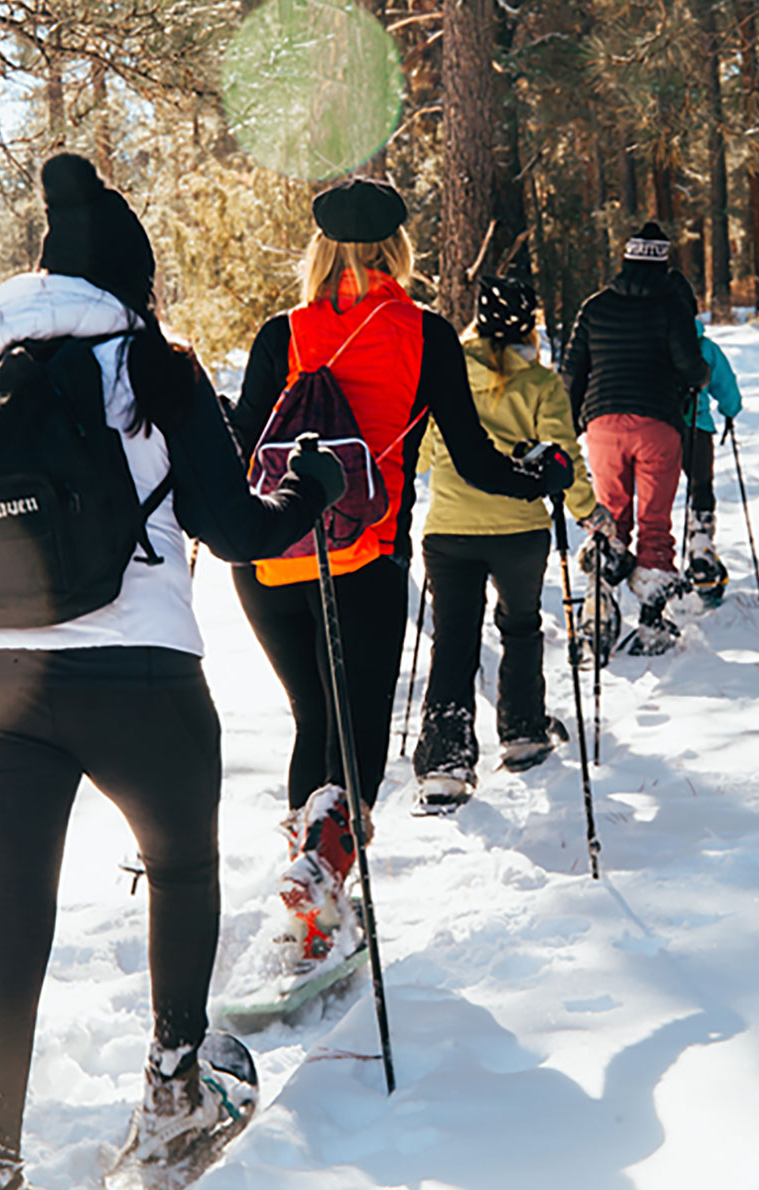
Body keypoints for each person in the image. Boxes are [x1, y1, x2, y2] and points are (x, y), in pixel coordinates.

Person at [0, 153, 345, 1190]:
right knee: (180, 867)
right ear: (134, 280)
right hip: (137, 674)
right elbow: (241, 530)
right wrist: (317, 482)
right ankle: (171, 1093)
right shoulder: (152, 364)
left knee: (6, 932)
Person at [226, 178, 571, 959]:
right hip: (362, 560)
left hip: (271, 561)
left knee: (312, 721)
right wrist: (540, 477)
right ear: (397, 251)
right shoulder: (425, 333)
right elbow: (480, 464)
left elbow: (241, 442)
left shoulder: (282, 332)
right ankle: (319, 885)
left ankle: (309, 882)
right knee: (354, 743)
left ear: (322, 250)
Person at [411, 274, 614, 807]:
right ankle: (523, 732)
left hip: (450, 526)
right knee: (521, 625)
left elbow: (429, 453)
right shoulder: (543, 383)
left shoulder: (446, 368)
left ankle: (445, 762)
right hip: (520, 530)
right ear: (530, 323)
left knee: (453, 638)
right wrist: (589, 512)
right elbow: (561, 459)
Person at [560, 222, 710, 655]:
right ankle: (653, 619)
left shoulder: (595, 306)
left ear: (625, 259)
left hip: (603, 426)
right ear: (663, 263)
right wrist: (700, 377)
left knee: (610, 520)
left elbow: (572, 372)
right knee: (655, 523)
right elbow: (690, 365)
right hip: (658, 425)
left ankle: (598, 608)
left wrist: (570, 427)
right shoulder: (671, 306)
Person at [671, 279, 743, 605]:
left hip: (661, 430)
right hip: (698, 429)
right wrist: (730, 411)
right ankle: (701, 545)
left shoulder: (655, 342)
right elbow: (726, 386)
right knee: (701, 488)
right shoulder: (707, 347)